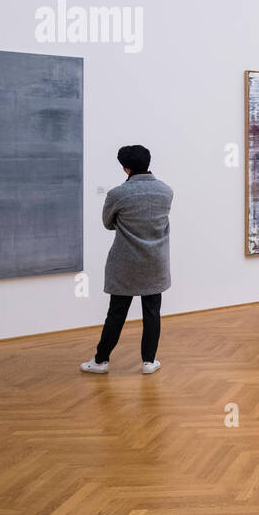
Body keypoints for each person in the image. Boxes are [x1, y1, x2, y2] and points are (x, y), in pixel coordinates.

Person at [81, 145, 173, 375]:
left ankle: (101, 361)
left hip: (125, 263)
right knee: (152, 312)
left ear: (126, 168)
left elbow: (108, 223)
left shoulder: (117, 194)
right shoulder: (166, 191)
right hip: (155, 262)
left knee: (116, 313)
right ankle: (149, 361)